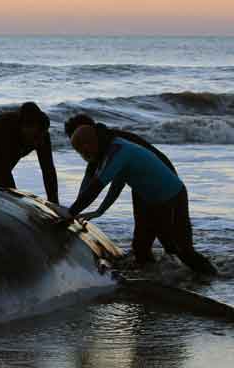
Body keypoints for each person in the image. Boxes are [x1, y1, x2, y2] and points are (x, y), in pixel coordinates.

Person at [67, 124, 217, 275]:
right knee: (140, 248)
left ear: (88, 144)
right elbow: (116, 186)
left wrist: (70, 213)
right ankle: (154, 280)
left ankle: (211, 276)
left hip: (172, 196)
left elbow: (96, 187)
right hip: (151, 199)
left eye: (81, 152)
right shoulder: (109, 149)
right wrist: (100, 211)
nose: (83, 156)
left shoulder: (117, 151)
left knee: (179, 248)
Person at [64, 113, 178, 266]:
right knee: (144, 239)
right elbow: (90, 178)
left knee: (160, 236)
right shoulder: (100, 143)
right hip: (144, 185)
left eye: (81, 138)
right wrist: (77, 210)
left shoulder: (112, 144)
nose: (80, 146)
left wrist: (72, 212)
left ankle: (172, 269)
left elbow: (98, 185)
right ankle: (161, 267)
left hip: (161, 182)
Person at [0, 102, 59, 204]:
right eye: (35, 137)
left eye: (41, 136)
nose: (37, 142)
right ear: (23, 126)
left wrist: (54, 203)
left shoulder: (42, 135)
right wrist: (15, 201)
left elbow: (48, 169)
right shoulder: (4, 127)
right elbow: (2, 167)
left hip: (2, 161)